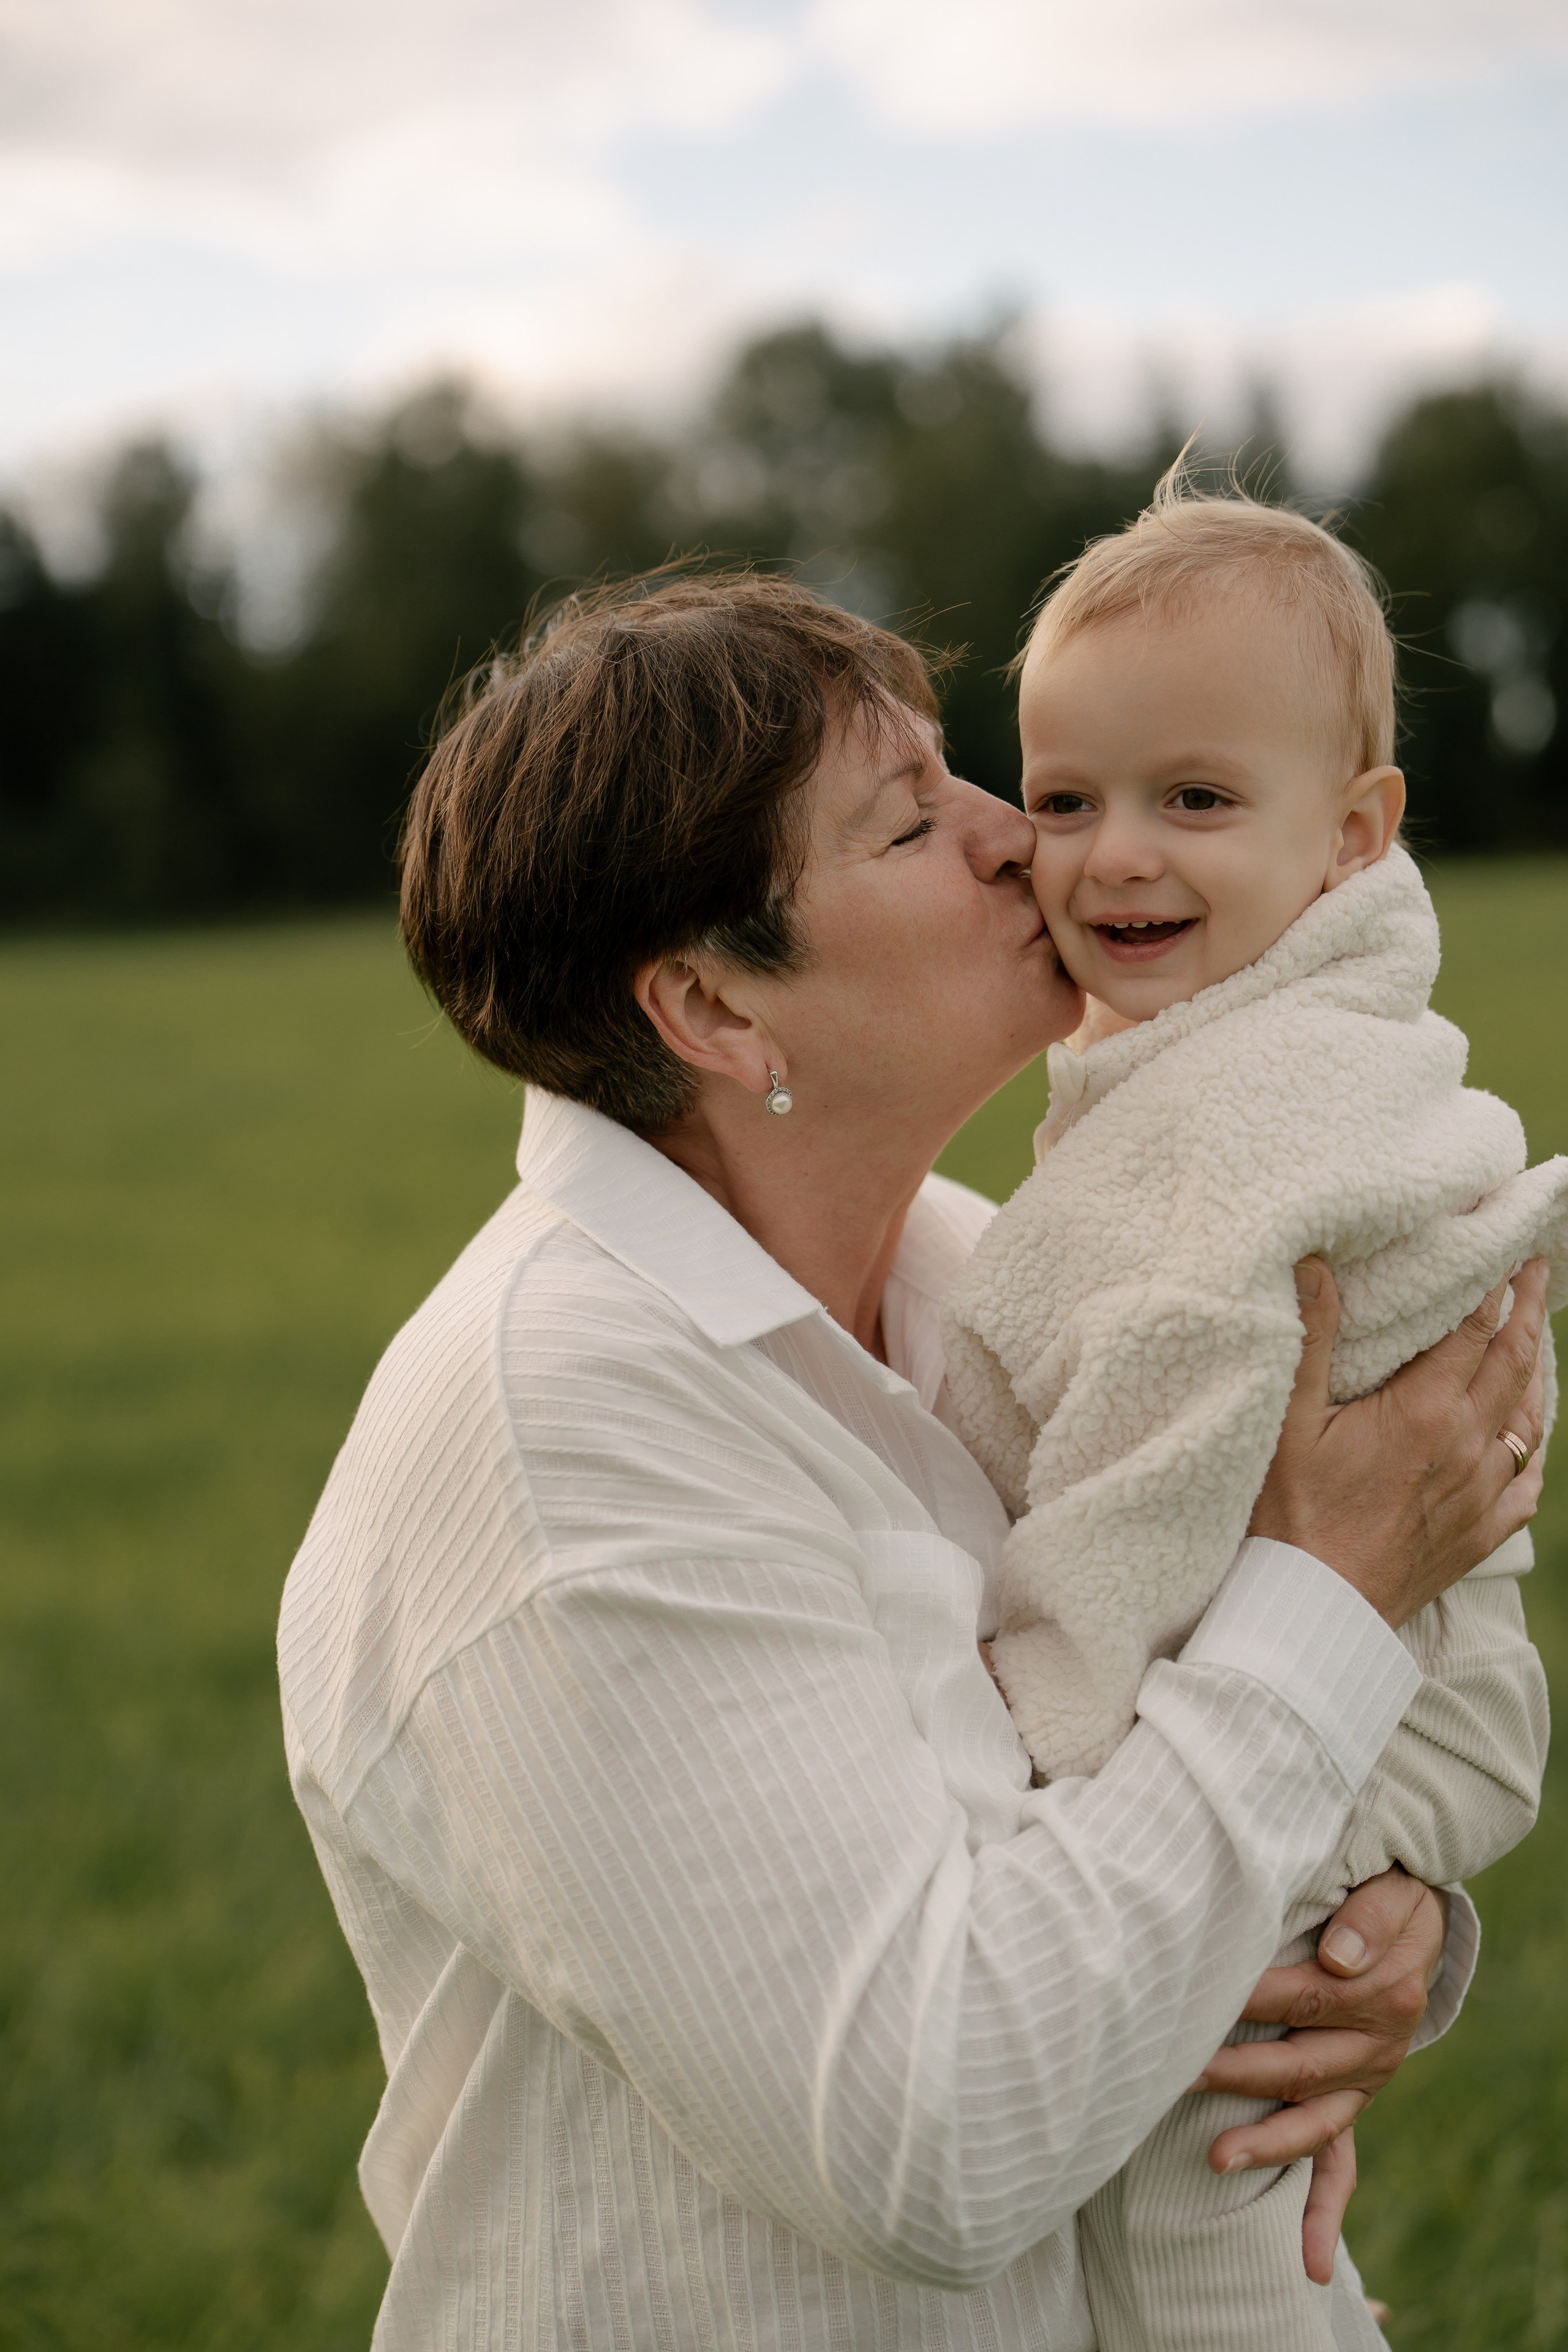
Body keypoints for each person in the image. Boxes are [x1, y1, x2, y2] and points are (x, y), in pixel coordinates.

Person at [276, 572, 1547, 2352]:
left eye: (970, 779)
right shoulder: (562, 1443)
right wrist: (1329, 1596)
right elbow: (935, 2140)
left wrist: (1366, 1938)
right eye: (907, 824)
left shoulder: (986, 1269)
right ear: (717, 1011)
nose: (1018, 843)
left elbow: (1162, 1790)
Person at [943, 479, 1561, 2349]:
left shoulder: (1272, 1110)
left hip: (1326, 1721)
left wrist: (1046, 1746)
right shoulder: (1187, 1056)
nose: (1114, 856)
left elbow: (1176, 1436)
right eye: (1065, 800)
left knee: (1221, 2221)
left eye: (1196, 800)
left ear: (1353, 837)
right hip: (1350, 1710)